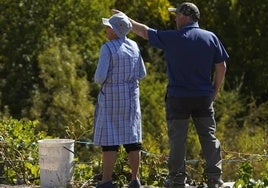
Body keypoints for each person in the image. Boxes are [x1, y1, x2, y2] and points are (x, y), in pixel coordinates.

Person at [114, 2, 229, 188]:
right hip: (203, 97)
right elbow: (221, 66)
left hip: (178, 98)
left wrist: (126, 20)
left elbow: (144, 31)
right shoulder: (211, 37)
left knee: (178, 141)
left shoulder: (173, 38)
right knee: (209, 137)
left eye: (176, 15)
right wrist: (214, 91)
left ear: (185, 16)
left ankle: (177, 180)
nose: (175, 19)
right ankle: (214, 179)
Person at [93, 12, 146, 188]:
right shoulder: (134, 45)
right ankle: (135, 179)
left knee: (110, 140)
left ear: (115, 30)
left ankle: (107, 180)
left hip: (111, 97)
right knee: (132, 138)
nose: (106, 29)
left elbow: (99, 77)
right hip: (131, 95)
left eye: (108, 27)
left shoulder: (107, 48)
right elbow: (142, 73)